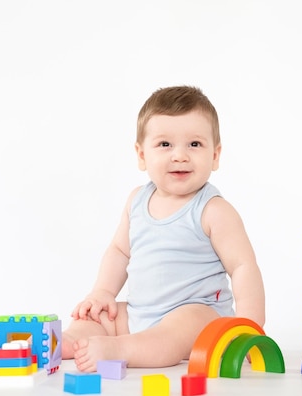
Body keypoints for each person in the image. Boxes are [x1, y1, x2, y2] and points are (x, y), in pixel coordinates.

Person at [62, 85, 265, 372]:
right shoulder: (136, 200)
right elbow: (120, 251)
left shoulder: (213, 210)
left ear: (215, 155)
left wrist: (248, 327)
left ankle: (120, 349)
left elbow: (243, 266)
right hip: (139, 313)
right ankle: (72, 341)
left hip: (199, 316)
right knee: (96, 316)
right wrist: (102, 292)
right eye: (165, 145)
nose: (180, 155)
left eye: (194, 144)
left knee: (178, 329)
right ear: (142, 155)